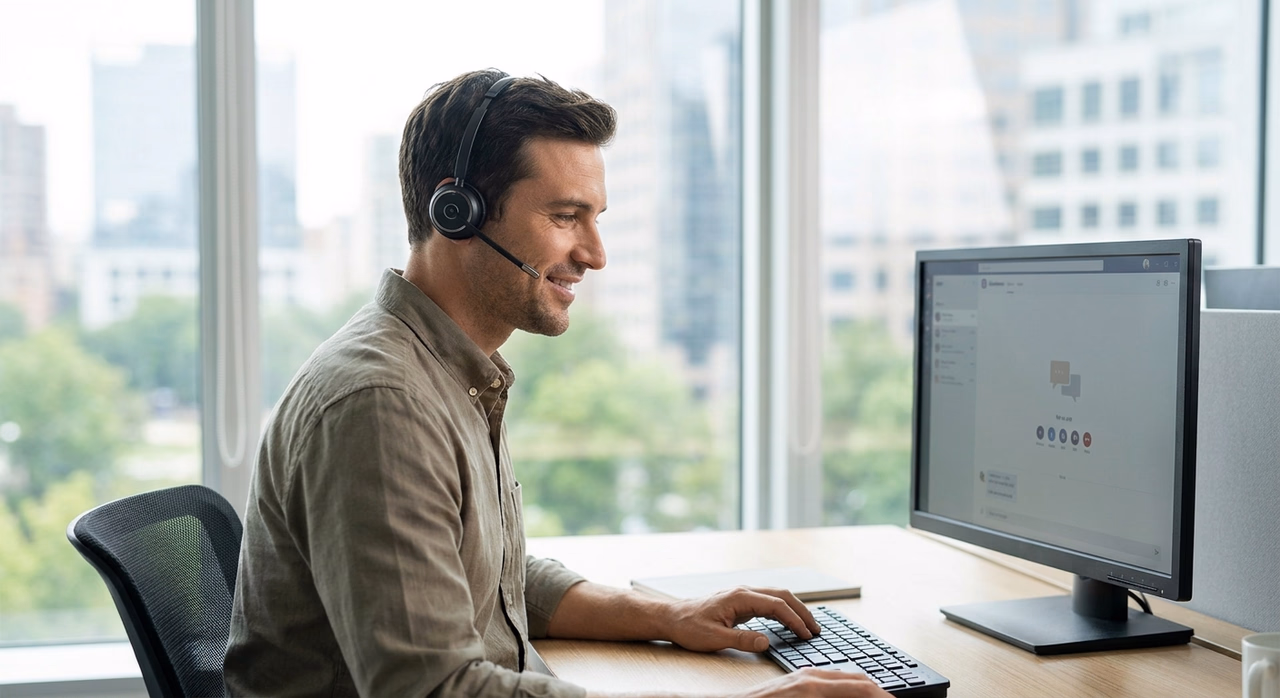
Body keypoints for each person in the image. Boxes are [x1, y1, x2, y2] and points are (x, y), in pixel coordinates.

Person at [224, 69, 888, 698]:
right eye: (567, 217)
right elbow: (432, 690)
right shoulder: (382, 404)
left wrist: (671, 614)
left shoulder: (448, 371)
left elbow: (495, 576)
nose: (595, 254)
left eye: (596, 218)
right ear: (459, 212)